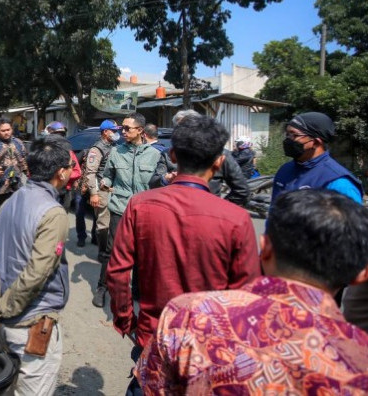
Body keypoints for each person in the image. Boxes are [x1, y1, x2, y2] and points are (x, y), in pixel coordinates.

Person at [137, 190, 368, 394]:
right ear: (361, 275)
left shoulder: (190, 313)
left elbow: (151, 387)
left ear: (265, 248)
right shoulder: (359, 360)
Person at [106, 114, 260, 395]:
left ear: (173, 155)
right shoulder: (237, 220)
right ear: (219, 162)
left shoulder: (140, 205)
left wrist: (126, 320)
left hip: (152, 336)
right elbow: (246, 299)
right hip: (208, 347)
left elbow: (117, 273)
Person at [0, 135, 73, 396]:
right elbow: (37, 272)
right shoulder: (54, 214)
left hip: (4, 323)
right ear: (61, 173)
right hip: (30, 322)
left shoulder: (10, 202)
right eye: (71, 167)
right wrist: (3, 307)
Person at [271, 111, 366, 332]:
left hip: (316, 279)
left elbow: (348, 239)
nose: (288, 140)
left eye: (294, 135)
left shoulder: (338, 181)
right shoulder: (285, 171)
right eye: (288, 134)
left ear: (316, 141)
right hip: (279, 269)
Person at [93, 112, 160, 308]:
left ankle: (137, 290)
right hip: (119, 209)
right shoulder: (116, 152)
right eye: (122, 128)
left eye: (126, 128)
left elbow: (159, 184)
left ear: (140, 130)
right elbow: (108, 175)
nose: (122, 131)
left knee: (141, 254)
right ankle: (102, 287)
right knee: (110, 251)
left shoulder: (155, 155)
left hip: (144, 212)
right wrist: (104, 184)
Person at [149, 109, 250, 206]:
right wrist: (166, 179)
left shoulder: (220, 155)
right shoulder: (167, 154)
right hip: (173, 212)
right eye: (181, 128)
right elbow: (153, 182)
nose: (186, 132)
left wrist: (220, 207)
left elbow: (241, 190)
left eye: (191, 127)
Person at [78, 119, 120, 248]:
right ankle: (103, 253)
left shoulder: (113, 146)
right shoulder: (97, 149)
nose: (116, 133)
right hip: (101, 190)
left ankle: (104, 247)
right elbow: (91, 173)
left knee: (110, 223)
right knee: (103, 224)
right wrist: (94, 194)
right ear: (105, 132)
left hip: (111, 189)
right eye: (113, 131)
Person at [0, 117, 29, 229]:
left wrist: (29, 174)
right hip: (0, 187)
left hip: (17, 185)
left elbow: (25, 160)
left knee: (16, 212)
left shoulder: (19, 143)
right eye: (3, 130)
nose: (6, 132)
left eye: (8, 129)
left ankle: (12, 235)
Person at [44, 121, 82, 213]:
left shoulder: (69, 152)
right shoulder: (42, 152)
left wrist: (63, 175)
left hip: (64, 192)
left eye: (60, 135)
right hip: (47, 191)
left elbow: (77, 172)